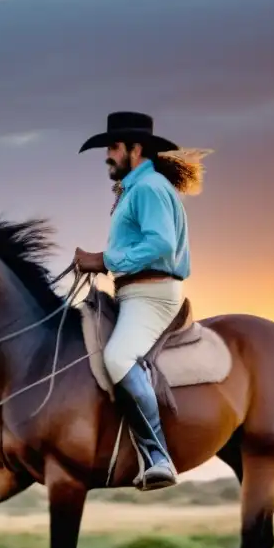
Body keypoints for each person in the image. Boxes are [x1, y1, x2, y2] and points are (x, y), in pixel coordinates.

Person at [74, 111, 204, 490]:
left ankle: (158, 456)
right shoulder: (136, 189)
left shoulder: (147, 189)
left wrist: (105, 260)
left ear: (136, 149)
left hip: (152, 295)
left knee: (116, 357)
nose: (107, 155)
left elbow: (160, 243)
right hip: (133, 291)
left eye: (113, 147)